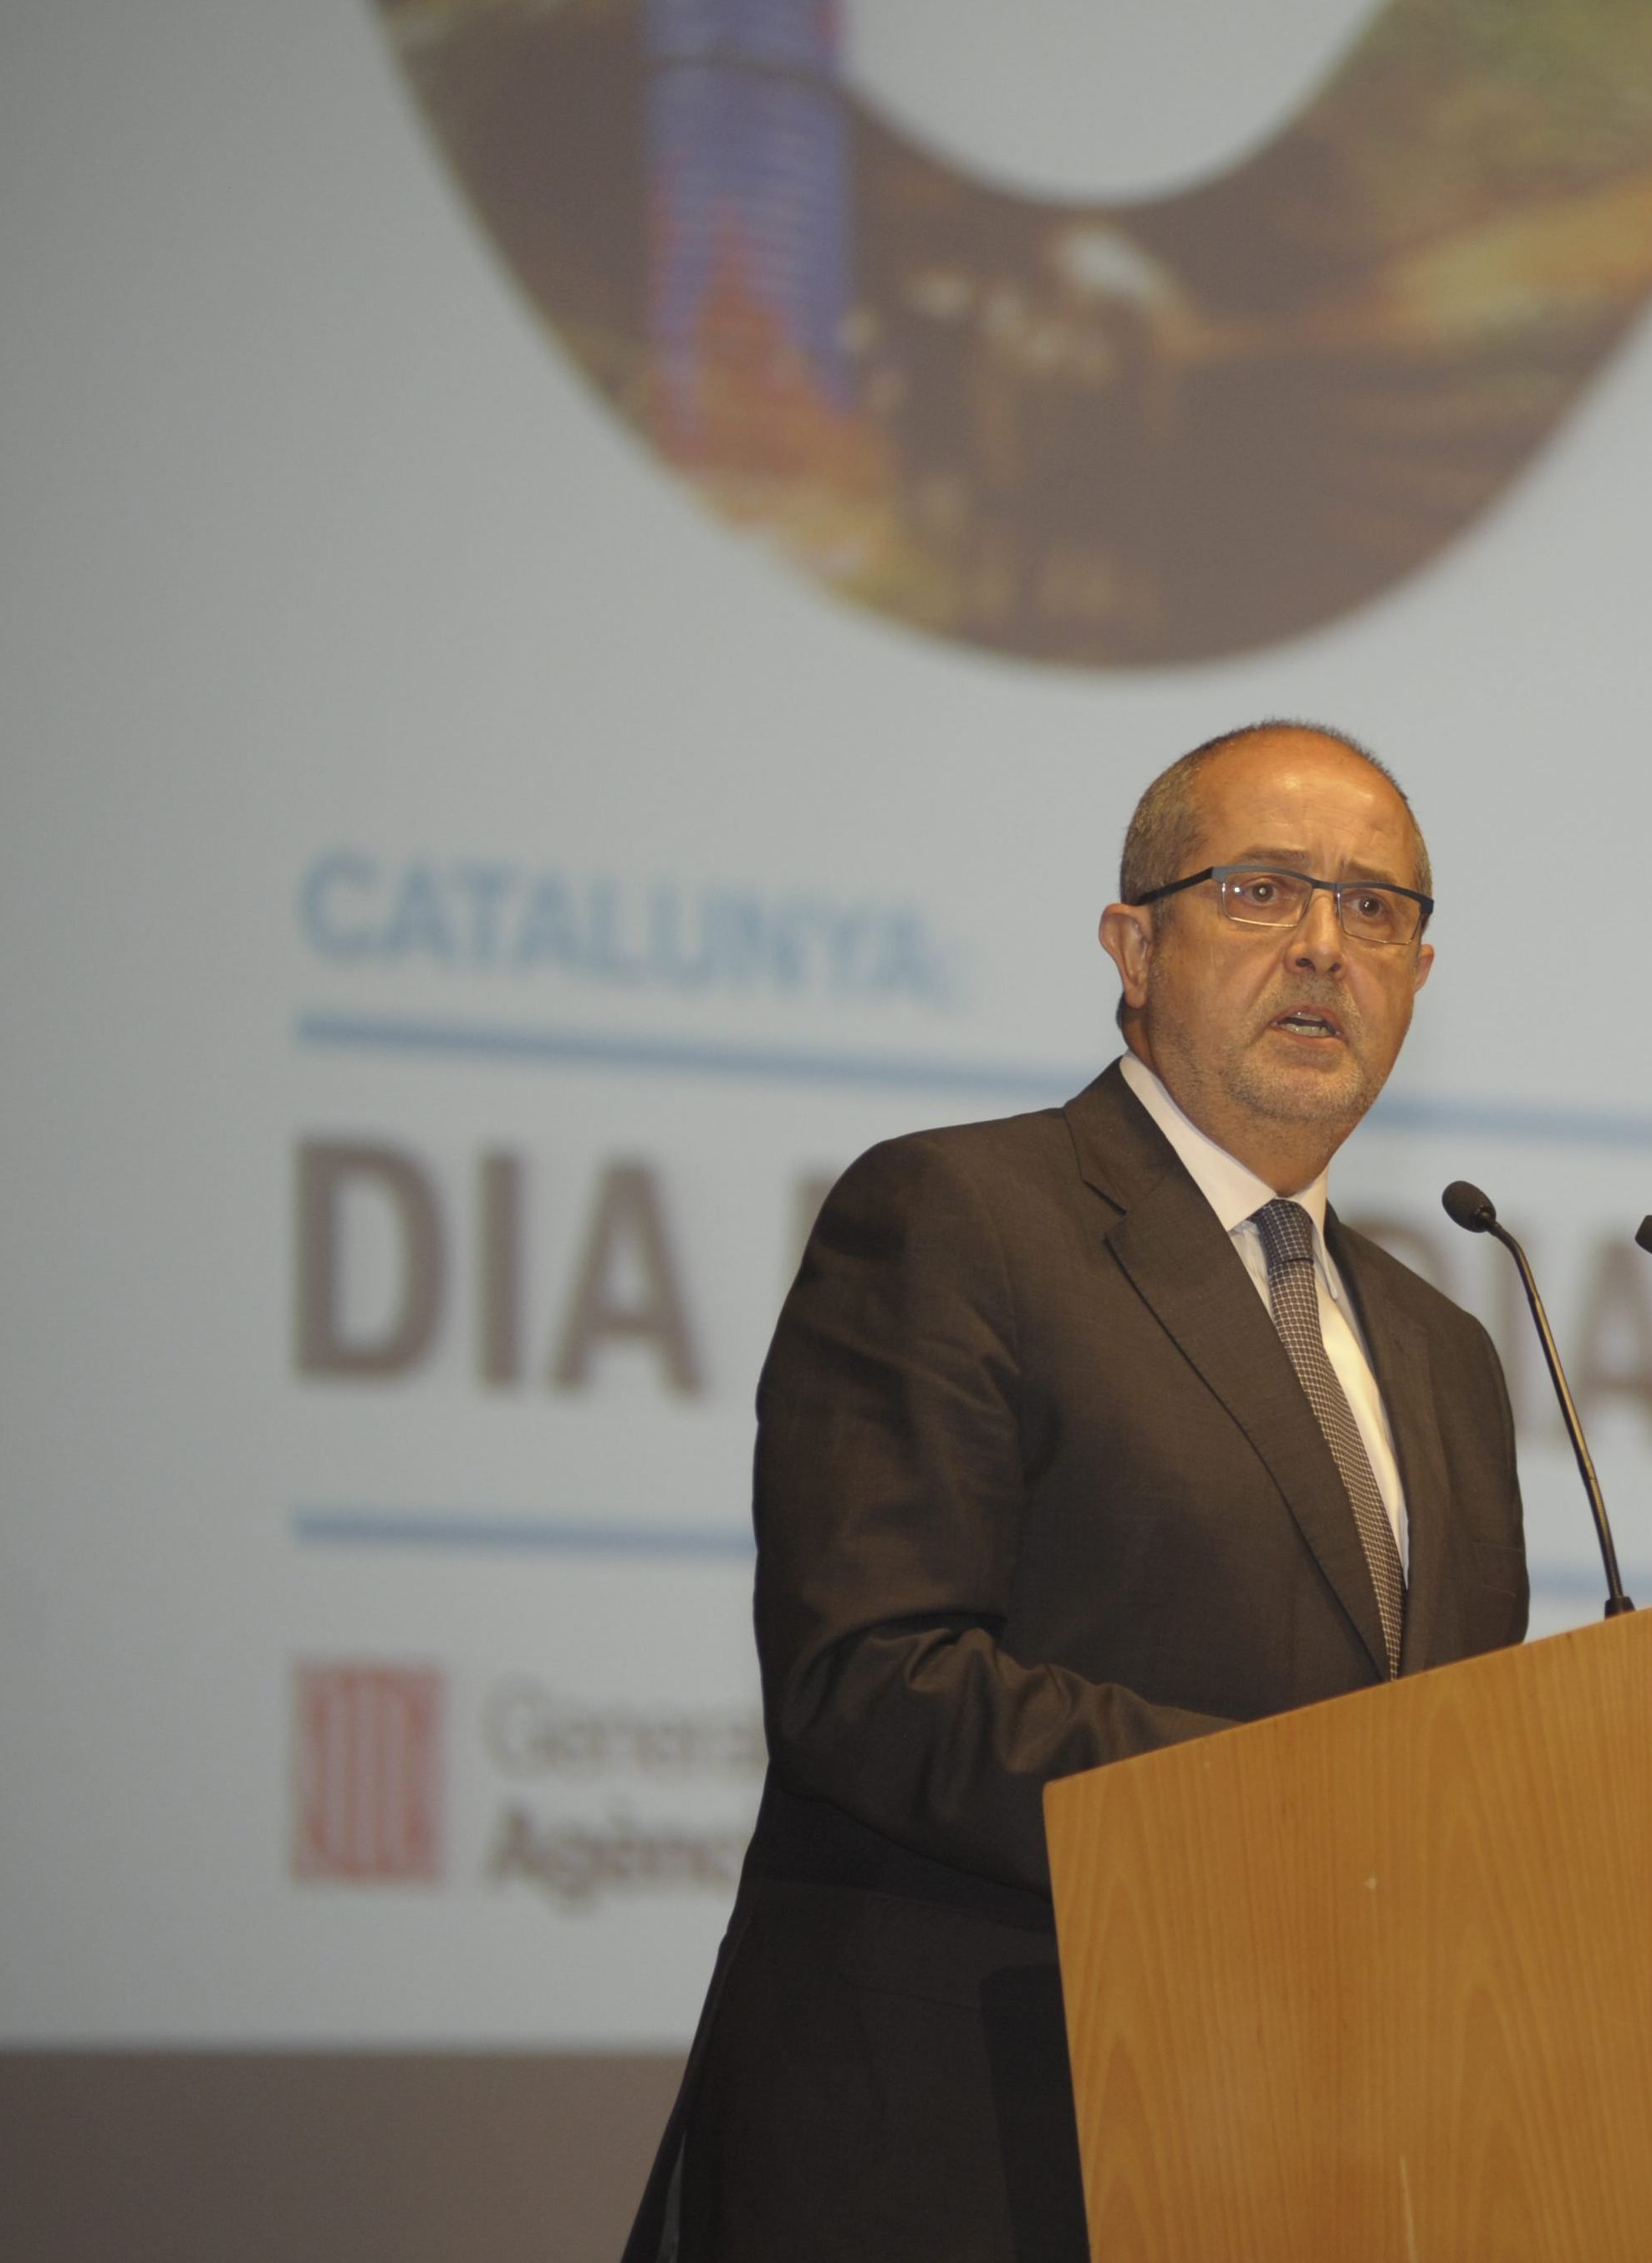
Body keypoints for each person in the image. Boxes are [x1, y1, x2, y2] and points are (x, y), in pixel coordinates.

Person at [621, 721, 1530, 2262]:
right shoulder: (959, 1214)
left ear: (1419, 977)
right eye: (1260, 890)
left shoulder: (1447, 1351)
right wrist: (1301, 1813)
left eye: (1375, 909)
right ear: (1134, 946)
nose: (1325, 944)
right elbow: (870, 1678)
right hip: (973, 2149)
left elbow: (1455, 1769)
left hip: (1310, 2161)